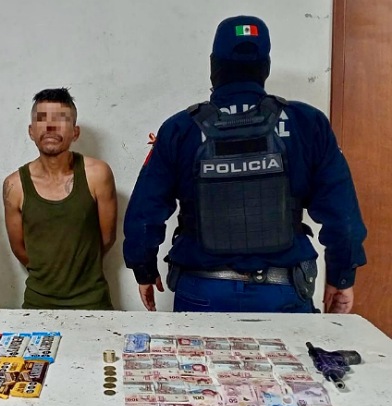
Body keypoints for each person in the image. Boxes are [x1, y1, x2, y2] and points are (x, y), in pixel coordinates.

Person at [123, 15, 367, 314]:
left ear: (214, 66)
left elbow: (144, 212)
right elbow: (343, 216)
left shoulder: (180, 128)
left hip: (203, 289)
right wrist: (341, 276)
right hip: (282, 290)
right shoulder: (307, 123)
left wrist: (143, 269)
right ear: (265, 66)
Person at [3, 88, 117, 309]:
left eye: (60, 119)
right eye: (42, 119)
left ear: (75, 132)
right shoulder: (14, 185)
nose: (50, 126)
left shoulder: (97, 174)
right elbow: (19, 248)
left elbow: (107, 239)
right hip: (38, 303)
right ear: (31, 131)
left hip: (92, 301)